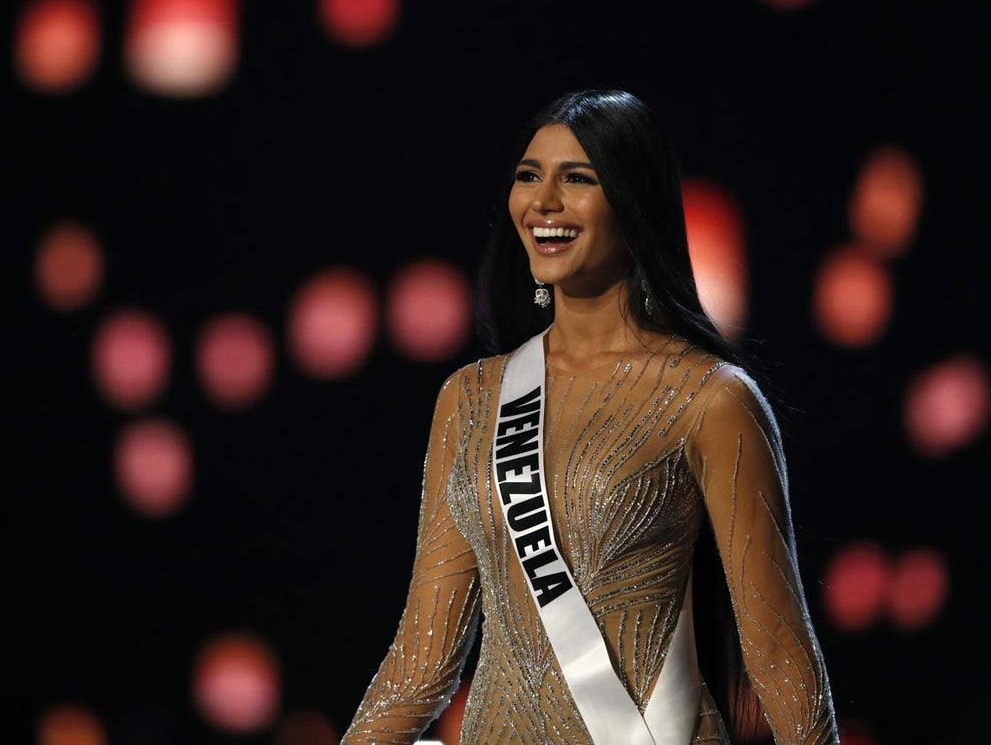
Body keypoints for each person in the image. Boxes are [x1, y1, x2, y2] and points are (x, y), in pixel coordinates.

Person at [340, 90, 838, 745]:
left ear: (634, 203)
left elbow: (780, 657)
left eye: (576, 179)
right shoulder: (469, 401)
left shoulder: (712, 399)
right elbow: (421, 661)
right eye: (528, 177)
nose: (542, 201)